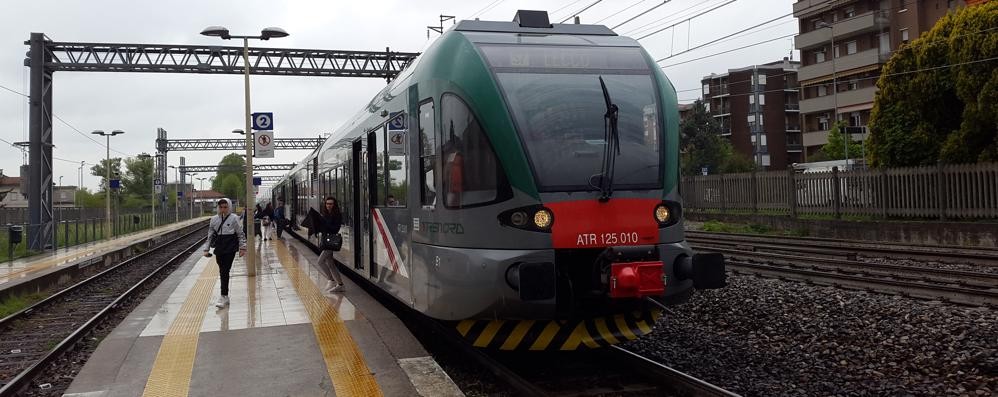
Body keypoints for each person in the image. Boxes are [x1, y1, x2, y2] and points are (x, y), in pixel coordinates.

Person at [203, 198, 246, 308]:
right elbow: (210, 235)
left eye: (225, 207)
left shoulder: (234, 219)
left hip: (230, 247)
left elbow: (240, 234)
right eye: (221, 207)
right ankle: (224, 296)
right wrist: (206, 249)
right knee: (223, 270)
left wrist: (242, 248)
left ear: (229, 207)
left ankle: (224, 296)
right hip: (219, 247)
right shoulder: (214, 220)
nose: (223, 209)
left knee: (224, 270)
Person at [317, 196, 345, 293]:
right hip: (325, 241)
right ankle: (340, 285)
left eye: (331, 204)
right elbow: (323, 228)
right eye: (327, 204)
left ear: (334, 205)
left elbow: (335, 229)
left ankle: (331, 280)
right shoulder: (325, 214)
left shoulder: (337, 215)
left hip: (331, 242)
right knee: (331, 264)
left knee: (320, 261)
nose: (329, 205)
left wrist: (323, 222)